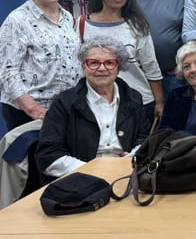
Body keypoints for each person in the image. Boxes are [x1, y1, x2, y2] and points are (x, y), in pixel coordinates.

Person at [35, 38, 147, 180]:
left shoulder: (133, 98)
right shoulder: (64, 102)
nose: (101, 68)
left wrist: (132, 159)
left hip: (126, 176)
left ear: (119, 67)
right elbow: (48, 155)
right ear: (83, 67)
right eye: (93, 63)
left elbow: (143, 140)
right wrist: (91, 171)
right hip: (80, 179)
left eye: (109, 63)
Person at [0, 0, 80, 130]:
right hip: (27, 111)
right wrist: (33, 109)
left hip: (62, 108)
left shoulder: (66, 17)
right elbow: (7, 71)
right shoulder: (18, 20)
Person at [77, 0, 163, 120]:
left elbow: (151, 67)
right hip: (95, 104)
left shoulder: (137, 26)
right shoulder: (82, 24)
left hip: (138, 103)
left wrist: (159, 102)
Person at [127, 0, 185, 99]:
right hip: (134, 78)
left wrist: (184, 66)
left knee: (172, 122)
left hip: (173, 77)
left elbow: (188, 33)